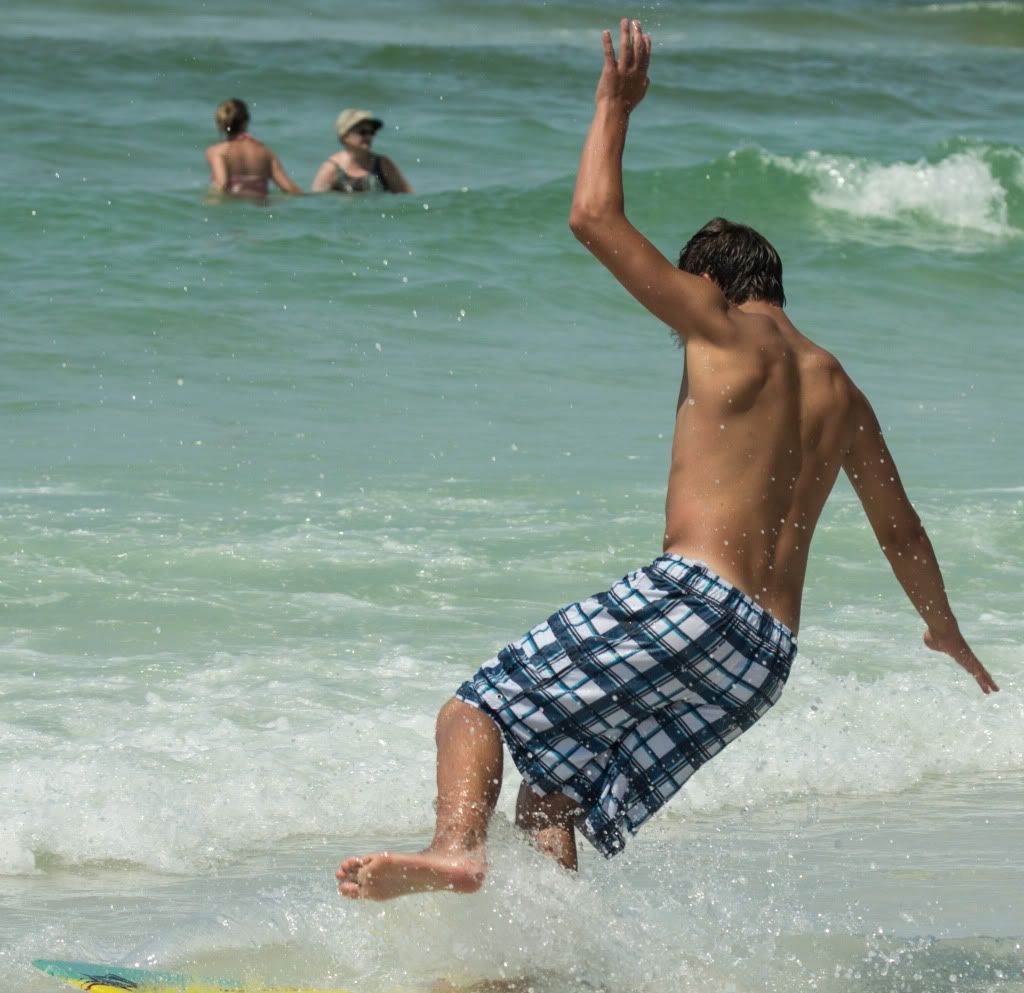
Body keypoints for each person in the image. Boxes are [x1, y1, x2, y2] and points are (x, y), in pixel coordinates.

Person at [336, 19, 998, 902]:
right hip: (762, 658)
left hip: (695, 598)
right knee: (553, 790)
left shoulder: (719, 326)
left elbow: (592, 217)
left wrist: (614, 105)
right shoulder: (843, 391)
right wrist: (942, 628)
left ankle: (456, 847)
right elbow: (901, 529)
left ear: (709, 285)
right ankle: (541, 956)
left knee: (476, 706)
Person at [205, 98, 303, 198]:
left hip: (232, 205)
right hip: (259, 206)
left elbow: (222, 184)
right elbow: (291, 189)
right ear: (247, 120)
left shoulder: (217, 152)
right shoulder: (265, 152)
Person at [310, 109, 413, 194]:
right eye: (362, 132)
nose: (368, 136)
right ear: (344, 135)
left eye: (371, 132)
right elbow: (318, 202)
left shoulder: (383, 164)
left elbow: (408, 196)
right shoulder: (332, 168)